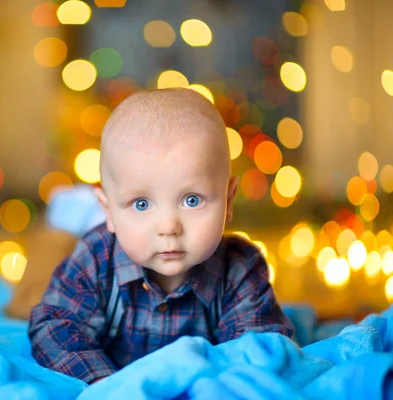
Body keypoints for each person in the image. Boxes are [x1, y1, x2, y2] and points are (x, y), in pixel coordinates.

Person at [28, 88, 294, 384]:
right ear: (109, 212)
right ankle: (66, 214)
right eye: (141, 204)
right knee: (32, 288)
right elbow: (54, 329)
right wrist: (110, 387)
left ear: (229, 201)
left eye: (192, 200)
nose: (168, 227)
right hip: (110, 372)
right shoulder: (95, 258)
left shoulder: (239, 268)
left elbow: (259, 350)